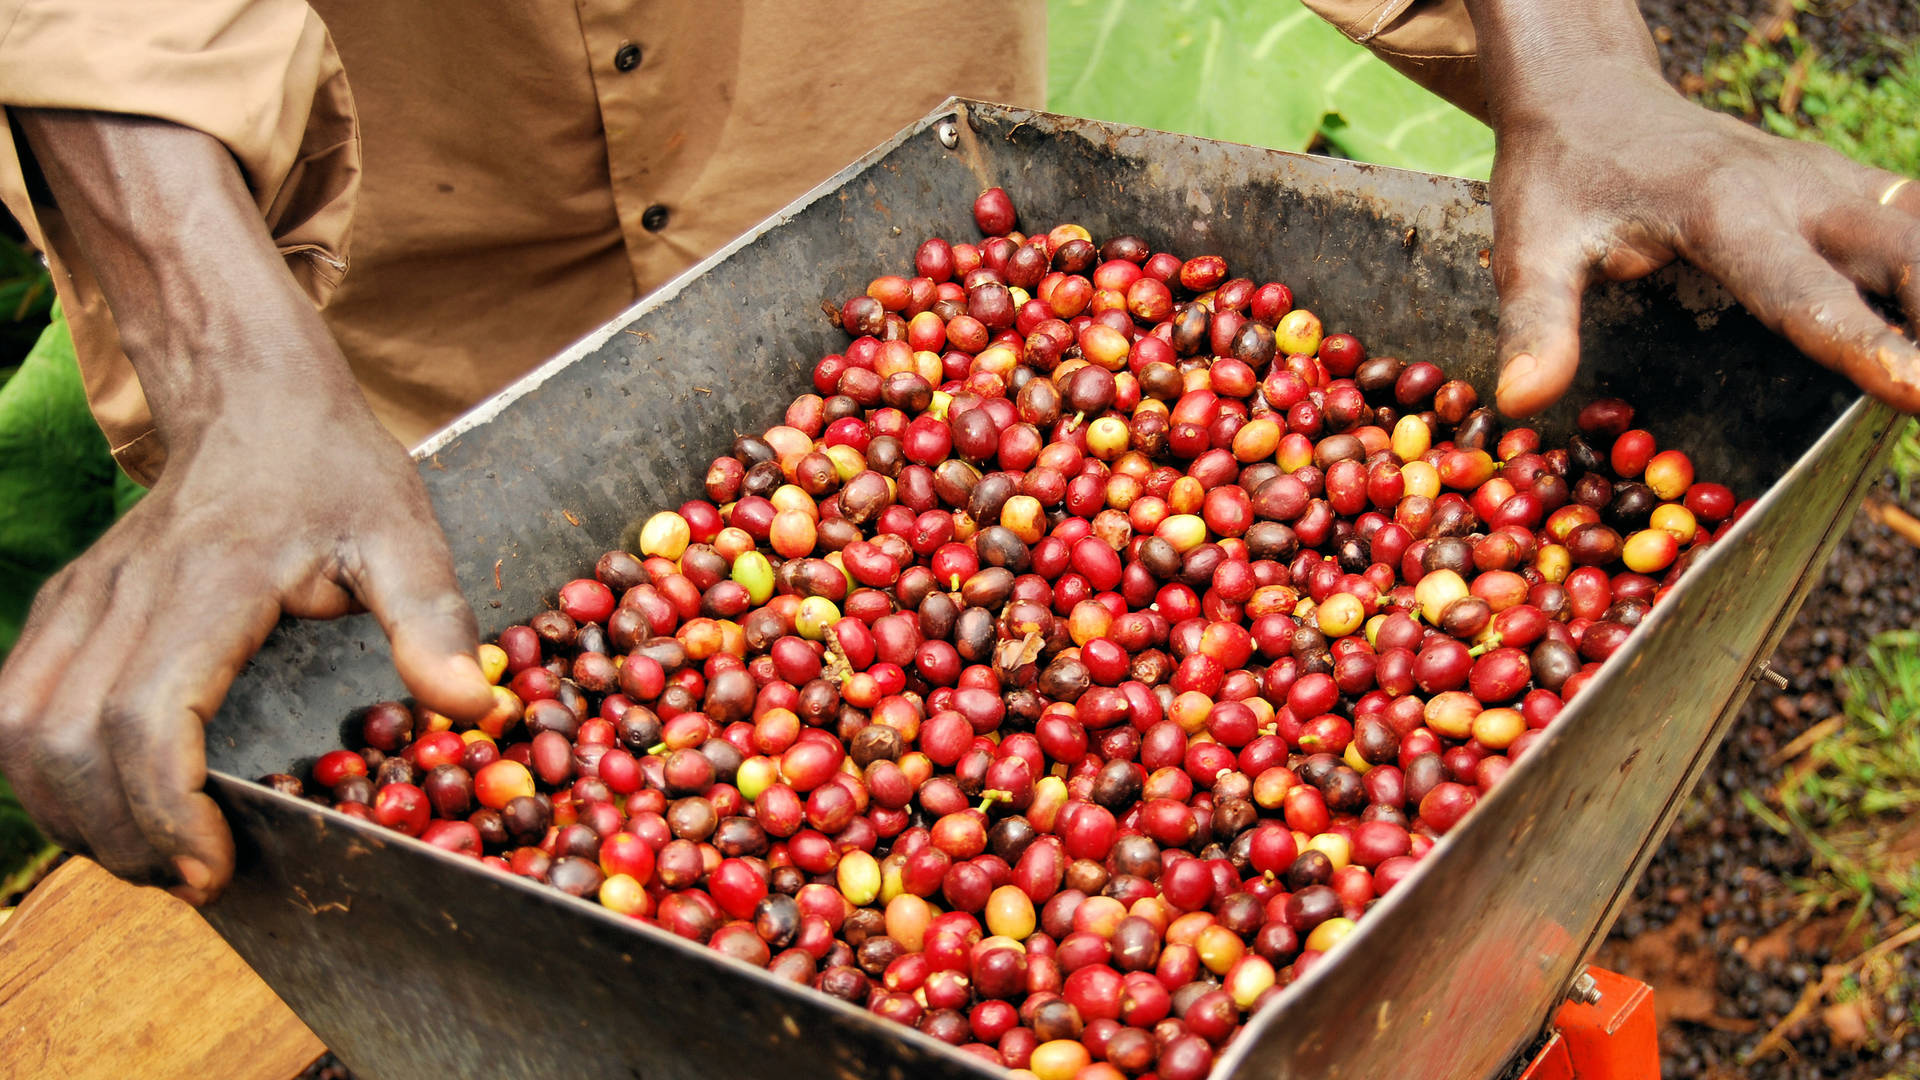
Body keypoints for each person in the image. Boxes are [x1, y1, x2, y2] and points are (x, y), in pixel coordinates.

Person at [0, 0, 1913, 909]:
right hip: (364, 290)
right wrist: (223, 355)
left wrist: (1575, 60)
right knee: (467, 754)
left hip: (856, 187)